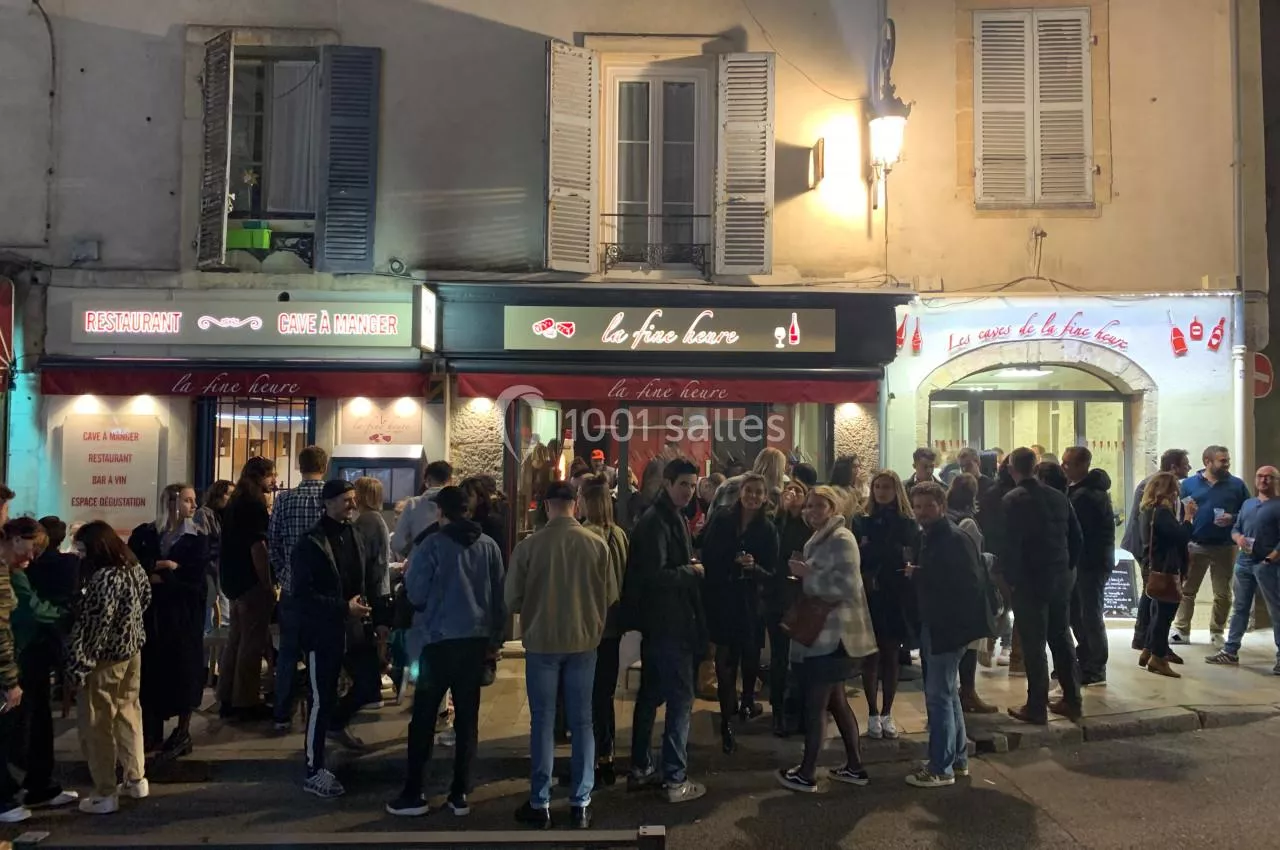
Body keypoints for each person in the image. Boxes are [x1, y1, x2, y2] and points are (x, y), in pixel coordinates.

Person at [386, 486, 505, 819]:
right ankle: (460, 793)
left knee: (424, 718)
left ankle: (414, 792)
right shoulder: (489, 546)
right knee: (467, 720)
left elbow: (416, 593)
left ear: (441, 512)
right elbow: (500, 597)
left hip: (436, 642)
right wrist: (494, 641)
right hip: (474, 643)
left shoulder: (432, 545)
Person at [507, 481, 616, 829]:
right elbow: (610, 594)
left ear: (546, 506)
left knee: (542, 721)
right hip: (583, 640)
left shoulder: (529, 546)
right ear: (575, 504)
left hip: (542, 641)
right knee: (583, 722)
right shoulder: (597, 545)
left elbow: (511, 598)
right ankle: (581, 802)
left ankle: (540, 802)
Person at [775, 486, 876, 793]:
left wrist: (808, 576)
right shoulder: (821, 537)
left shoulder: (841, 538)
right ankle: (854, 766)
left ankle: (807, 773)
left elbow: (847, 586)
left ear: (833, 508)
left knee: (816, 704)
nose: (811, 511)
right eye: (808, 506)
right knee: (836, 702)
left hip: (834, 635)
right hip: (826, 634)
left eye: (819, 505)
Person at [290, 479, 387, 798]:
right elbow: (303, 595)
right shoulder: (311, 543)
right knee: (322, 697)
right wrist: (343, 607)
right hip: (325, 630)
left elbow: (367, 578)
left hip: (355, 627)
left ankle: (336, 723)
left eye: (353, 499)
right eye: (346, 500)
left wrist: (377, 619)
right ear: (328, 503)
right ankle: (313, 768)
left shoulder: (354, 534)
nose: (352, 504)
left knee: (369, 683)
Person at [622, 458, 708, 804]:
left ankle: (642, 766)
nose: (689, 491)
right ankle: (674, 777)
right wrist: (692, 572)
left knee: (651, 696)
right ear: (667, 483)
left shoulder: (668, 517)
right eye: (683, 484)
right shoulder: (658, 521)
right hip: (670, 623)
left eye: (693, 485)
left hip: (662, 624)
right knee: (680, 700)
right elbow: (654, 576)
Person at [905, 482, 995, 788]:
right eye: (917, 506)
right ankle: (957, 760)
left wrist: (920, 575)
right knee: (948, 693)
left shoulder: (953, 539)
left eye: (928, 506)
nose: (922, 512)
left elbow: (966, 585)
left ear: (942, 506)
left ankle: (940, 768)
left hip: (947, 627)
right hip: (940, 625)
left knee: (939, 696)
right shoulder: (932, 536)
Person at [68, 521, 151, 815]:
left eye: (82, 548)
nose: (80, 554)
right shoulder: (133, 567)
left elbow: (96, 625)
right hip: (132, 651)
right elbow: (146, 598)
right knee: (129, 712)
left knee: (98, 723)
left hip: (104, 658)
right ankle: (136, 778)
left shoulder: (103, 577)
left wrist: (82, 662)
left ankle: (105, 791)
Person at [128, 485, 212, 760]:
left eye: (194, 500)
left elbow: (194, 579)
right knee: (152, 671)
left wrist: (166, 573)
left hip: (182, 615)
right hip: (152, 615)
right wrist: (165, 566)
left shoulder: (196, 538)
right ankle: (152, 731)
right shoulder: (146, 533)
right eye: (188, 500)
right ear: (172, 502)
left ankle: (182, 731)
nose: (193, 505)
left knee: (183, 670)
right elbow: (134, 564)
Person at [1002, 447, 1084, 725]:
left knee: (1033, 643)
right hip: (1059, 577)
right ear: (1035, 467)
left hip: (1030, 580)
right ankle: (1072, 699)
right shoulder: (1059, 497)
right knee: (1061, 638)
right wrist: (1067, 568)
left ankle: (1036, 705)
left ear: (1012, 469)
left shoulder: (1013, 499)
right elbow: (1077, 538)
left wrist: (1011, 580)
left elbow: (1010, 545)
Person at [700, 473, 778, 754]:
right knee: (724, 660)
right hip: (724, 599)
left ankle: (746, 702)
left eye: (758, 492)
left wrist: (754, 568)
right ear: (740, 492)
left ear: (765, 497)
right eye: (749, 490)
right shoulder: (723, 519)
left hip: (751, 603)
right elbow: (707, 552)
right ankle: (726, 718)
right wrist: (730, 564)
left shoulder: (767, 529)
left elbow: (772, 571)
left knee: (750, 655)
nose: (753, 496)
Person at [5, 519, 77, 812]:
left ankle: (33, 787)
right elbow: (29, 610)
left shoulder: (14, 571)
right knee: (22, 725)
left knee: (31, 722)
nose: (33, 556)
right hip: (20, 655)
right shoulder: (11, 574)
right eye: (32, 548)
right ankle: (13, 793)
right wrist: (63, 614)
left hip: (23, 653)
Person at [852, 470, 919, 740]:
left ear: (896, 490)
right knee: (870, 656)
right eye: (877, 486)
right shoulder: (861, 520)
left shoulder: (907, 522)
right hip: (869, 594)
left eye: (887, 487)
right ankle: (871, 712)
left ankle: (887, 712)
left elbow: (908, 554)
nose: (881, 491)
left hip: (894, 595)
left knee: (891, 655)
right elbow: (859, 555)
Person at [269, 446, 329, 731]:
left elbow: (273, 542)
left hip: (292, 587)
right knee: (323, 652)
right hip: (323, 588)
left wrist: (284, 572)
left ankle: (281, 714)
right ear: (324, 466)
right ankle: (321, 711)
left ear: (299, 466)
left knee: (288, 653)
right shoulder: (331, 497)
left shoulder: (284, 499)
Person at [217, 457, 277, 722]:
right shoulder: (254, 505)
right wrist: (267, 582)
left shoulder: (235, 503)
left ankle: (226, 695)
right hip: (251, 580)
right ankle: (246, 701)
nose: (274, 481)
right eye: (271, 475)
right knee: (252, 642)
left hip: (233, 579)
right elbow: (258, 548)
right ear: (260, 476)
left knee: (236, 639)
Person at [1173, 446, 1250, 646]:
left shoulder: (1237, 485)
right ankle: (1181, 630)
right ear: (1207, 461)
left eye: (1227, 460)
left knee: (1223, 594)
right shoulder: (1188, 485)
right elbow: (1178, 512)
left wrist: (1232, 518)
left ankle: (1217, 631)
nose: (1227, 464)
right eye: (1223, 460)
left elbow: (1249, 512)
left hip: (1226, 546)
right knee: (1187, 590)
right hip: (1195, 545)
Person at [579, 478, 629, 786]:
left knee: (588, 694)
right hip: (613, 625)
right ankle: (606, 754)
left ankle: (594, 756)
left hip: (589, 626)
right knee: (605, 693)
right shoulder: (620, 535)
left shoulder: (584, 535)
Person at [1207, 466, 1280, 673]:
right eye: (1260, 476)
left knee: (1276, 610)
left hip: (1268, 565)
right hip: (1244, 563)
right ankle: (1230, 651)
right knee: (1240, 608)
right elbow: (1236, 527)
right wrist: (1237, 537)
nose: (1264, 480)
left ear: (1276, 481)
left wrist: (1272, 557)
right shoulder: (1248, 504)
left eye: (1269, 477)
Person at [1121, 450, 1191, 649]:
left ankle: (1147, 640)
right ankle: (1147, 640)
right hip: (1150, 549)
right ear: (1174, 467)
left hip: (1153, 548)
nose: (1189, 467)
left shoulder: (1164, 485)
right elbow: (1148, 523)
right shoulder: (1157, 485)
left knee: (1153, 592)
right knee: (1155, 591)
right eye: (1185, 464)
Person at [1062, 446, 1115, 687]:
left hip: (1091, 563)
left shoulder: (1087, 496)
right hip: (1083, 562)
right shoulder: (1079, 491)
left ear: (1083, 465)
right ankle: (1085, 660)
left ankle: (1095, 666)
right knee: (1078, 613)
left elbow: (1080, 532)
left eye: (1068, 464)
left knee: (1089, 614)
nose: (1064, 468)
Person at [946, 474, 998, 714]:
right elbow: (973, 559)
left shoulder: (947, 518)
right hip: (968, 591)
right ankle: (968, 692)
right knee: (971, 644)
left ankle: (962, 692)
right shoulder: (968, 523)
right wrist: (989, 560)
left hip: (951, 591)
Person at [1136, 473, 1195, 678]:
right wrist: (1188, 518)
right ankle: (1158, 658)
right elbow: (1180, 537)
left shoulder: (1147, 511)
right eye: (1175, 491)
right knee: (1165, 615)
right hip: (1165, 568)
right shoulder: (1162, 512)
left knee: (1156, 611)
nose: (1177, 495)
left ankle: (1148, 649)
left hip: (1153, 566)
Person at [769, 479, 811, 736]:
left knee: (802, 658)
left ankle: (801, 711)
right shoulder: (776, 522)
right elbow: (772, 551)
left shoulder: (810, 525)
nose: (793, 493)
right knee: (780, 656)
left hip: (803, 598)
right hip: (778, 596)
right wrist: (782, 513)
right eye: (789, 489)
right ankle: (779, 711)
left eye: (798, 490)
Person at [392, 461, 454, 559]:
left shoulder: (413, 504)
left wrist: (412, 553)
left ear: (428, 479)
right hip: (449, 561)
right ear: (450, 480)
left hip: (420, 562)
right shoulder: (457, 503)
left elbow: (398, 543)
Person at [196, 481, 234, 634]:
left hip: (220, 571)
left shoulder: (222, 516)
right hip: (210, 571)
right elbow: (203, 544)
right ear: (218, 495)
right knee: (211, 618)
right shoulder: (204, 514)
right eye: (229, 494)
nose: (231, 499)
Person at [828, 455, 864, 521]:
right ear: (844, 470)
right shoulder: (835, 491)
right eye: (854, 467)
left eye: (859, 467)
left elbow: (862, 511)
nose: (858, 470)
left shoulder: (852, 488)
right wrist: (857, 490)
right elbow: (847, 513)